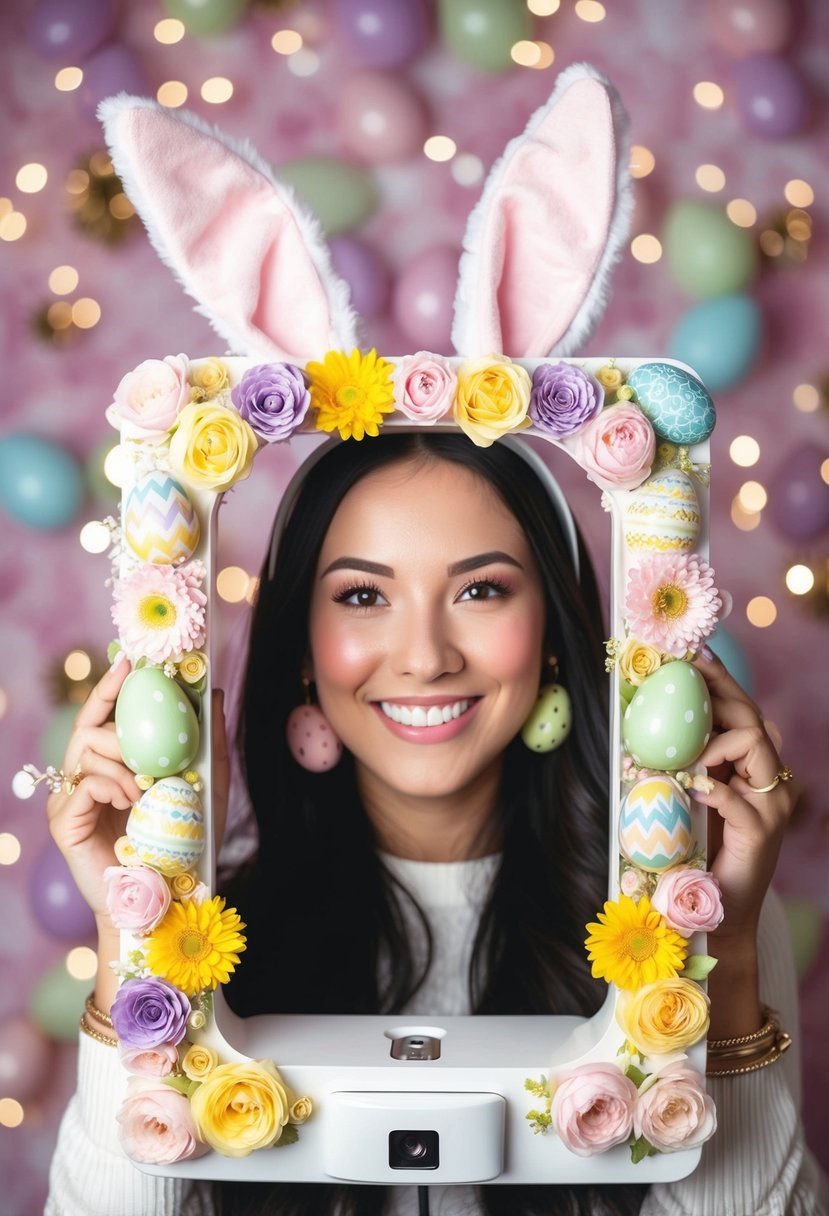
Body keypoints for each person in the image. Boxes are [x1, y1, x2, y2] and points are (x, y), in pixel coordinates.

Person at [45, 431, 828, 1216]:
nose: (424, 658)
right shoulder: (207, 934)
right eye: (362, 595)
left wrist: (718, 947)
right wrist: (136, 926)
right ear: (305, 648)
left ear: (553, 633)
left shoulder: (689, 914)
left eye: (479, 590)